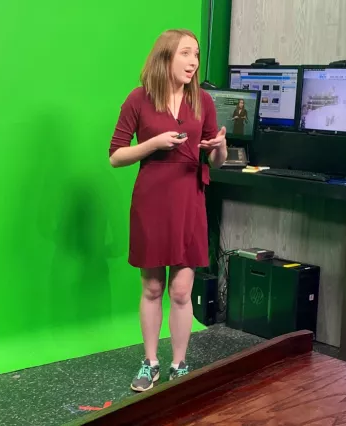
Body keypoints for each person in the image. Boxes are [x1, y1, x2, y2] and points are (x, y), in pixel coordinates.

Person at [108, 29, 227, 392]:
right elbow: (116, 156)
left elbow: (216, 161)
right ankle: (150, 362)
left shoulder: (202, 100)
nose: (193, 62)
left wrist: (219, 146)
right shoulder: (138, 100)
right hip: (152, 203)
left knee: (181, 291)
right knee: (152, 286)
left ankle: (179, 364)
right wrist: (153, 144)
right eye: (186, 54)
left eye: (197, 55)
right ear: (165, 57)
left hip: (189, 200)